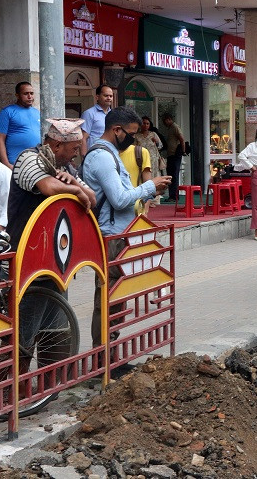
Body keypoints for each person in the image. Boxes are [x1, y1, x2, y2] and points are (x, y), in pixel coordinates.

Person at [80, 107, 170, 347]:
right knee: (108, 297)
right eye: (130, 134)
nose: (133, 139)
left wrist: (151, 189)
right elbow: (119, 199)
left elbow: (124, 195)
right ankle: (103, 358)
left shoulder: (112, 155)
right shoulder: (101, 157)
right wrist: (150, 186)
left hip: (120, 233)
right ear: (116, 130)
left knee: (117, 298)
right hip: (110, 237)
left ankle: (111, 353)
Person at [6, 118, 95, 247]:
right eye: (75, 149)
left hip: (53, 250)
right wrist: (75, 190)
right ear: (58, 145)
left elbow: (92, 199)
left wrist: (75, 183)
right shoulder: (29, 158)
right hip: (22, 248)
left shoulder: (67, 167)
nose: (76, 154)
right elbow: (48, 187)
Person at [0, 82, 41, 169]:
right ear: (17, 95)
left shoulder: (37, 112)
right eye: (26, 94)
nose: (30, 97)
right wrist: (6, 164)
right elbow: (0, 139)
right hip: (16, 164)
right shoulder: (7, 112)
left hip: (37, 164)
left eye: (32, 93)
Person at [119, 141, 154, 215]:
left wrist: (144, 211)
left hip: (136, 207)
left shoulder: (140, 152)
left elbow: (148, 185)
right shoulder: (105, 154)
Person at [81, 84, 115, 152]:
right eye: (106, 96)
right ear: (97, 97)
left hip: (111, 154)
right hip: (94, 154)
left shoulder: (114, 114)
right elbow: (83, 138)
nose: (109, 98)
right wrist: (84, 158)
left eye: (111, 96)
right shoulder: (89, 113)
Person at [162, 113, 185, 202]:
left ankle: (174, 196)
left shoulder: (175, 127)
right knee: (171, 175)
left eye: (165, 121)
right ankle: (172, 195)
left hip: (175, 154)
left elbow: (181, 139)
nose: (165, 123)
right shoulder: (170, 128)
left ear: (169, 119)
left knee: (174, 175)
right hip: (170, 154)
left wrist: (182, 151)